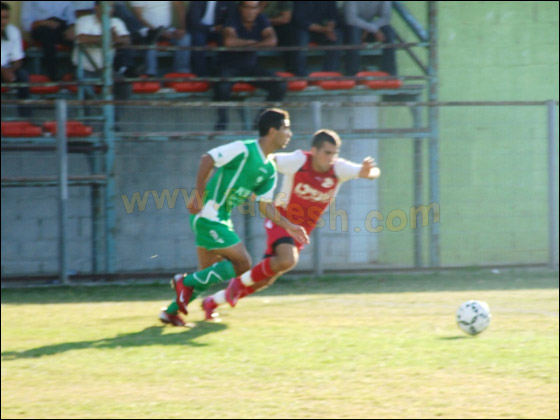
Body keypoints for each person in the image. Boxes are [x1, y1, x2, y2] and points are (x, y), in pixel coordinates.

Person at [201, 129, 381, 320]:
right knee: (288, 260)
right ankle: (237, 284)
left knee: (264, 280)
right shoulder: (298, 160)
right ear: (314, 151)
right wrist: (256, 186)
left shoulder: (338, 169)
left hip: (302, 230)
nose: (331, 158)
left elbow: (373, 172)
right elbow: (268, 160)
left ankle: (212, 301)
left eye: (334, 153)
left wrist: (368, 172)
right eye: (327, 153)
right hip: (281, 218)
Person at [159, 108, 309, 326]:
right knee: (242, 263)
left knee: (206, 274)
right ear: (272, 131)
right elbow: (207, 159)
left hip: (221, 218)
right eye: (286, 128)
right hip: (208, 213)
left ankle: (171, 312)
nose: (290, 133)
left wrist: (289, 226)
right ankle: (184, 281)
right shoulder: (244, 149)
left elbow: (265, 206)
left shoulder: (269, 170)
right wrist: (198, 195)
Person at [213, 1, 286, 131]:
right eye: (247, 7)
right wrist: (255, 43)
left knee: (279, 85)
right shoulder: (233, 17)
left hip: (250, 66)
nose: (250, 11)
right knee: (222, 85)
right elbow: (229, 42)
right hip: (229, 65)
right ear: (241, 8)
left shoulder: (261, 18)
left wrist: (246, 44)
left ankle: (261, 121)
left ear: (258, 9)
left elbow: (272, 40)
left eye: (254, 8)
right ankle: (222, 121)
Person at [73, 1, 133, 100]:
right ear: (96, 7)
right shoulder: (84, 20)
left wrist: (115, 38)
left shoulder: (116, 22)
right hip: (84, 69)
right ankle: (93, 109)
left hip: (106, 69)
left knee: (124, 87)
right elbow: (81, 38)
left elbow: (127, 40)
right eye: (106, 6)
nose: (110, 9)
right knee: (87, 93)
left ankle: (115, 111)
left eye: (112, 7)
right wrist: (107, 37)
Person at [129, 1, 191, 77]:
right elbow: (139, 17)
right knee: (150, 41)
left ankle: (181, 74)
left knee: (185, 38)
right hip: (148, 30)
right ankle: (150, 74)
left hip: (167, 29)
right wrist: (159, 32)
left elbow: (180, 7)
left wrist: (182, 28)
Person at [20, 1, 76, 81]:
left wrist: (72, 28)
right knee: (47, 34)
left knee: (76, 37)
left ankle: (75, 74)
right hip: (41, 27)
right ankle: (53, 74)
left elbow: (71, 19)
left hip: (60, 26)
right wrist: (47, 23)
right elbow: (26, 24)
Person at [344, 1, 397, 76]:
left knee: (389, 33)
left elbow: (386, 18)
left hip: (370, 27)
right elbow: (351, 19)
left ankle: (390, 74)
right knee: (354, 33)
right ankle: (353, 75)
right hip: (349, 27)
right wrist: (372, 28)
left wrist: (371, 29)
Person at [292, 1, 341, 76]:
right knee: (300, 38)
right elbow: (299, 19)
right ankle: (301, 75)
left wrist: (330, 27)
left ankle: (329, 74)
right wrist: (323, 29)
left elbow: (334, 16)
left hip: (322, 30)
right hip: (305, 29)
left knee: (336, 36)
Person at [187, 1, 236, 77]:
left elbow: (231, 19)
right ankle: (201, 74)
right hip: (200, 30)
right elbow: (194, 23)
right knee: (198, 39)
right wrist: (212, 28)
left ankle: (221, 73)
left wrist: (225, 28)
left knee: (225, 39)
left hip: (219, 30)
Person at [1, 2, 31, 117]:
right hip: (3, 70)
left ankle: (26, 116)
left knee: (22, 74)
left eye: (6, 18)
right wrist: (3, 71)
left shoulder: (13, 31)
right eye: (1, 18)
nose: (3, 21)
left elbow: (18, 59)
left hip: (8, 69)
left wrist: (11, 71)